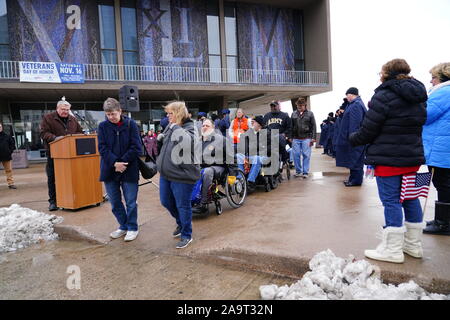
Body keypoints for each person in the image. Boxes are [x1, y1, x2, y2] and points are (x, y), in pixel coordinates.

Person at [349, 59, 428, 263]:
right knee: (410, 198)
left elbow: (369, 129)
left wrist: (353, 139)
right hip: (412, 157)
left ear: (386, 73)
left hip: (387, 158)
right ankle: (413, 245)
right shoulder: (419, 95)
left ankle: (392, 250)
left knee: (391, 201)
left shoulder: (383, 95)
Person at [157, 101, 200, 249]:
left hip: (183, 175)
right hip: (167, 173)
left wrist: (175, 127)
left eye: (170, 113)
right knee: (166, 201)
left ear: (179, 114)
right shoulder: (171, 126)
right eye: (167, 113)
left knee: (183, 205)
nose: (168, 116)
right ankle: (181, 223)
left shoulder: (191, 127)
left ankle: (186, 234)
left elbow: (188, 143)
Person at [98, 98, 142, 242]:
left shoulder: (131, 125)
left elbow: (136, 147)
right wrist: (115, 163)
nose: (111, 117)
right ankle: (123, 225)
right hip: (110, 170)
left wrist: (123, 162)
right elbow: (102, 148)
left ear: (120, 111)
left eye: (113, 114)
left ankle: (132, 227)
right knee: (115, 202)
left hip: (129, 169)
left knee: (130, 201)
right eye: (108, 114)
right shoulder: (103, 126)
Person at [40, 97, 83, 211]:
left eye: (67, 109)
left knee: (71, 178)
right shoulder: (48, 118)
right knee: (52, 178)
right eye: (63, 109)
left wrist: (75, 137)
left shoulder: (73, 119)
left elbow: (80, 131)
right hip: (54, 154)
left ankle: (71, 199)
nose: (65, 111)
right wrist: (55, 138)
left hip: (71, 155)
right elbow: (43, 133)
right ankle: (53, 201)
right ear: (57, 108)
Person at [422, 62, 450, 236]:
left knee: (443, 184)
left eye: (433, 77)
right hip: (443, 146)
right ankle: (443, 219)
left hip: (441, 148)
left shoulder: (444, 92)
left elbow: (425, 115)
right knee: (444, 184)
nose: (431, 81)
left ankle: (443, 223)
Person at [193, 119, 234, 214]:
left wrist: (232, 175)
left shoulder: (221, 140)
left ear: (213, 127)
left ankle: (203, 203)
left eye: (207, 125)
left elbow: (231, 157)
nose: (204, 127)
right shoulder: (199, 141)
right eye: (203, 125)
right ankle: (191, 199)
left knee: (207, 172)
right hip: (202, 167)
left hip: (219, 167)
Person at [335, 88, 366, 187]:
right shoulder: (354, 104)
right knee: (352, 159)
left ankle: (356, 180)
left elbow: (355, 124)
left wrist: (352, 137)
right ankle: (352, 179)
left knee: (355, 159)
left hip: (355, 139)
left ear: (351, 94)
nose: (346, 97)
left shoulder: (356, 105)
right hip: (354, 138)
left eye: (347, 95)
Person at [237, 115, 272, 191]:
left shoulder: (267, 133)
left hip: (263, 156)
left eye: (254, 122)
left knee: (257, 158)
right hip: (250, 156)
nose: (252, 123)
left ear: (259, 124)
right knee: (238, 156)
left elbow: (270, 148)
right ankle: (240, 179)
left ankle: (250, 181)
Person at [291, 98, 317, 178]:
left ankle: (305, 172)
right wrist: (290, 137)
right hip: (295, 138)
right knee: (296, 155)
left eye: (301, 105)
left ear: (304, 105)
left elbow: (313, 126)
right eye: (298, 105)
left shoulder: (310, 114)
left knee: (306, 155)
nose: (299, 107)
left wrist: (313, 138)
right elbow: (291, 126)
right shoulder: (293, 114)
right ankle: (298, 171)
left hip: (307, 137)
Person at [0, 122, 16, 189]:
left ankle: (11, 184)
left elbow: (12, 145)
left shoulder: (7, 136)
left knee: (9, 170)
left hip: (6, 156)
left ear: (2, 127)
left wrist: (9, 152)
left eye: (0, 126)